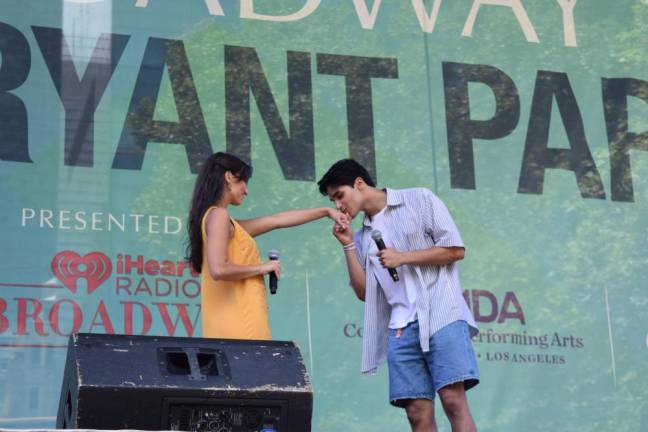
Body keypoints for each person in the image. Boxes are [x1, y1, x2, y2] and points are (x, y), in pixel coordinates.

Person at [318, 159, 479, 432]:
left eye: (339, 195)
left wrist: (403, 257)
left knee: (453, 400)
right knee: (417, 413)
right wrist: (346, 245)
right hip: (400, 326)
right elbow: (363, 293)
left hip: (441, 313)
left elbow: (455, 250)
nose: (338, 206)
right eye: (333, 200)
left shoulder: (418, 199)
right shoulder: (361, 236)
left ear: (359, 183)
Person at [187, 152, 348, 340]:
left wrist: (326, 211)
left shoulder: (222, 221)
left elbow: (276, 220)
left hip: (236, 328)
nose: (246, 190)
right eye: (243, 182)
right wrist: (263, 267)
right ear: (229, 177)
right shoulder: (218, 216)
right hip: (239, 329)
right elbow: (218, 269)